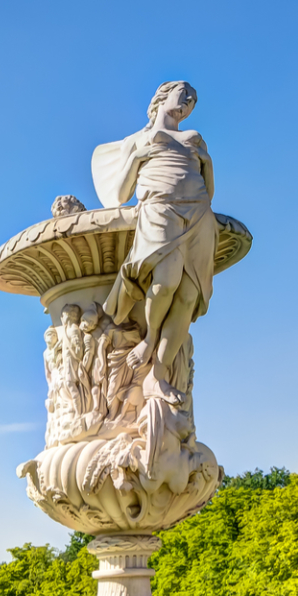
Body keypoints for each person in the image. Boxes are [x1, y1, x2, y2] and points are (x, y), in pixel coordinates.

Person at [92, 81, 216, 392]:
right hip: (160, 210)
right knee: (165, 283)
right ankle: (149, 340)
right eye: (183, 93)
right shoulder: (139, 139)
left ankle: (157, 377)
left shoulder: (195, 139)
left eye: (193, 99)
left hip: (199, 216)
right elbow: (120, 194)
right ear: (162, 97)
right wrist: (137, 158)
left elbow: (210, 191)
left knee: (189, 294)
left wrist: (207, 162)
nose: (188, 101)